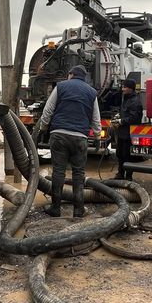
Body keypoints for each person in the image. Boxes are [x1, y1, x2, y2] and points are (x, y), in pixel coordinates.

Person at [38, 65, 101, 218]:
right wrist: (98, 136)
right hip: (80, 137)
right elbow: (95, 118)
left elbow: (48, 110)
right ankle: (78, 210)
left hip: (59, 134)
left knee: (58, 171)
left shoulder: (61, 86)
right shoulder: (91, 92)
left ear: (71, 74)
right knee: (78, 173)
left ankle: (55, 208)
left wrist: (43, 127)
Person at [113, 78, 143, 180]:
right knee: (119, 154)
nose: (123, 89)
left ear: (130, 88)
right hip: (122, 133)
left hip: (129, 134)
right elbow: (125, 112)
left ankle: (128, 177)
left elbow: (134, 118)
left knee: (127, 156)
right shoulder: (126, 98)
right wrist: (118, 115)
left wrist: (121, 121)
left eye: (125, 87)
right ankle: (120, 174)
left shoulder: (135, 101)